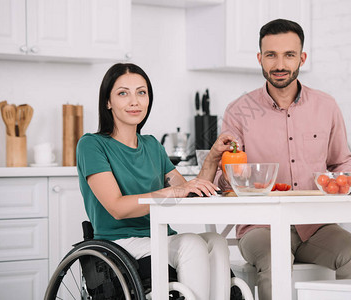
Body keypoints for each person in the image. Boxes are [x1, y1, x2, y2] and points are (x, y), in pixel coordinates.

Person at [216, 19, 351, 300]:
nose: (279, 64)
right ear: (259, 59)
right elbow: (225, 177)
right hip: (259, 227)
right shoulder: (239, 111)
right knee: (275, 259)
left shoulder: (326, 106)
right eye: (271, 55)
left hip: (316, 225)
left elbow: (342, 162)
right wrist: (228, 176)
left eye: (289, 55)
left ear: (301, 58)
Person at [76, 63, 236, 300]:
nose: (134, 101)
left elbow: (188, 193)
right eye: (123, 93)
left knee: (216, 242)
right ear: (108, 102)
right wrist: (178, 191)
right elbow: (117, 207)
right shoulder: (92, 145)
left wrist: (212, 157)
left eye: (141, 92)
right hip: (120, 242)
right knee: (191, 243)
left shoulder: (152, 146)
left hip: (159, 236)